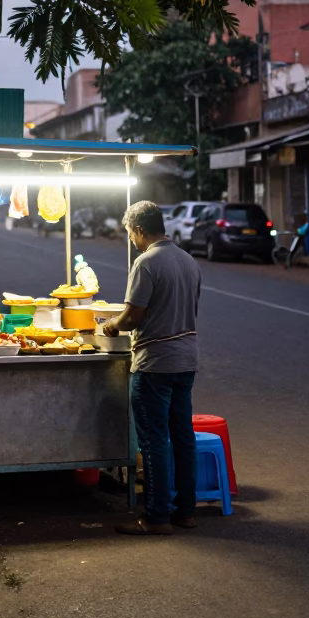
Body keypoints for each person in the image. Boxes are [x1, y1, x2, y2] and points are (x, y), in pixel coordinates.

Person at [103, 200, 200, 536]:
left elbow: (134, 316)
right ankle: (186, 511)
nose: (131, 240)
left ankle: (157, 517)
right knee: (182, 436)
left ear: (140, 230)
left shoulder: (146, 263)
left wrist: (113, 325)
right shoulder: (188, 261)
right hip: (186, 360)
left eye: (131, 234)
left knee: (154, 442)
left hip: (155, 364)